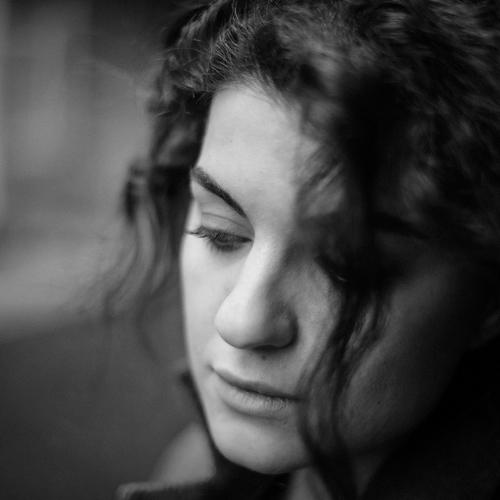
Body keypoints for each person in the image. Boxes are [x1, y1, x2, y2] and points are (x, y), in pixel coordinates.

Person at [115, 0, 500, 498]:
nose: (242, 322)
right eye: (220, 232)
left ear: (488, 297)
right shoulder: (188, 464)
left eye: (348, 266)